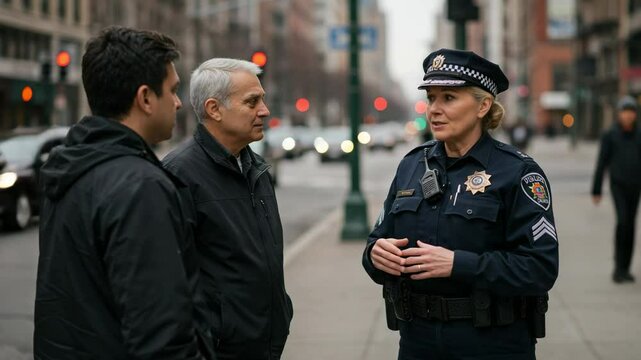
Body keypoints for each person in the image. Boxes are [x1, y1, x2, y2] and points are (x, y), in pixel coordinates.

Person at [362, 48, 559, 359]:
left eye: (449, 98)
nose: (434, 110)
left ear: (483, 106)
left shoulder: (518, 172)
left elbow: (540, 268)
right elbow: (378, 241)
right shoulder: (411, 166)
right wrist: (375, 255)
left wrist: (459, 264)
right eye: (431, 98)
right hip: (418, 342)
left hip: (492, 342)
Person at [34, 27, 208, 359]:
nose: (177, 103)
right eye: (172, 91)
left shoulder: (70, 168)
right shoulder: (141, 187)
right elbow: (162, 336)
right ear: (145, 98)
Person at [163, 58, 293, 359]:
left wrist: (282, 311)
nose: (265, 110)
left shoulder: (256, 168)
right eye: (252, 102)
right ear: (214, 109)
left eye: (262, 99)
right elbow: (169, 283)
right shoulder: (178, 175)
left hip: (265, 342)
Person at [591, 95, 641, 283]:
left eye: (631, 112)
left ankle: (626, 268)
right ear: (619, 114)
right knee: (623, 222)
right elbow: (602, 163)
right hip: (618, 185)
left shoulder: (639, 134)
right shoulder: (610, 135)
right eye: (624, 112)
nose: (628, 116)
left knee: (631, 225)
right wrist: (596, 190)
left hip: (635, 186)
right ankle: (618, 268)